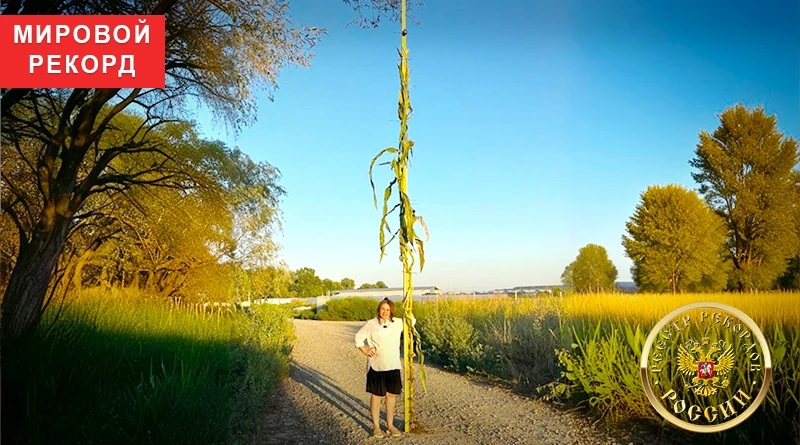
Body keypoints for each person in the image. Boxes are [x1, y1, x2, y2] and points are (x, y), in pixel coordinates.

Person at [354, 298, 413, 438]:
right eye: (382, 309)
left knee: (391, 395)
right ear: (378, 309)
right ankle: (376, 426)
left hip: (392, 365)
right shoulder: (371, 324)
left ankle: (390, 425)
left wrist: (409, 306)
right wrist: (366, 350)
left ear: (391, 310)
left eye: (387, 309)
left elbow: (412, 322)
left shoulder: (397, 323)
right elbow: (358, 337)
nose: (385, 312)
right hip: (377, 366)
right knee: (376, 396)